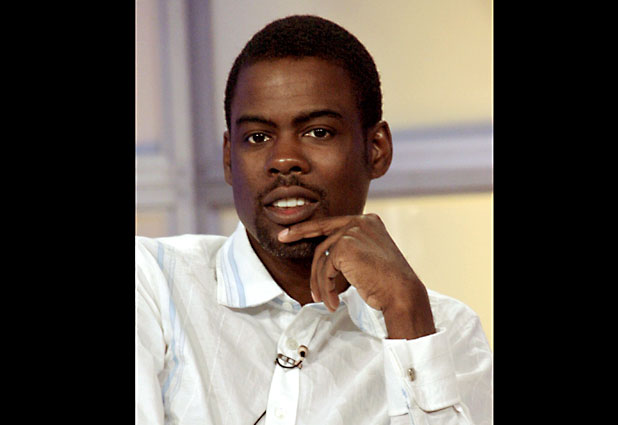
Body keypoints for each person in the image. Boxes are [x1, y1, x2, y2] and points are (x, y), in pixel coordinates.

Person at [136, 15, 492, 425]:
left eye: (318, 132)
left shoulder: (446, 329)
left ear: (376, 150)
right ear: (229, 158)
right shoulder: (153, 283)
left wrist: (405, 316)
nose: (284, 160)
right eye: (257, 137)